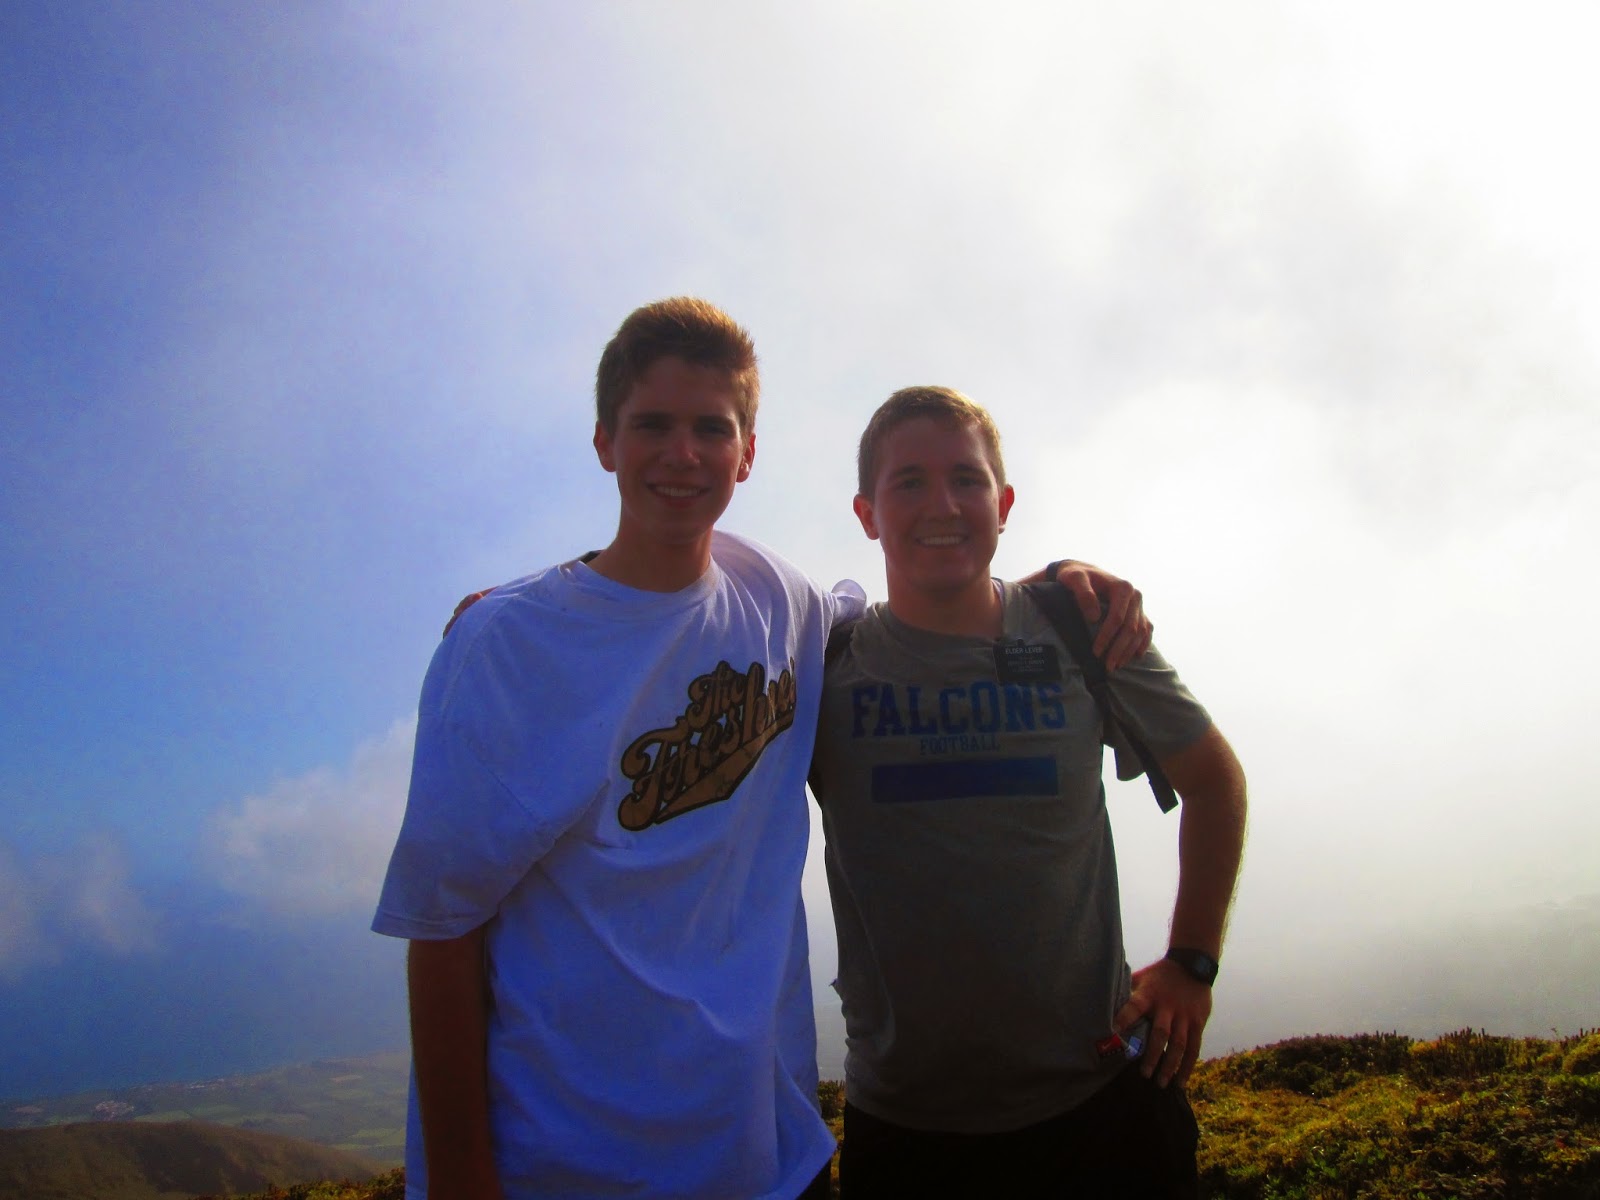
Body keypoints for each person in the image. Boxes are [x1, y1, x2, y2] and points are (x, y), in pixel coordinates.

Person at [372, 299, 1150, 1200]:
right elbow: (443, 928)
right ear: (604, 442)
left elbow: (910, 613)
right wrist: (461, 1180)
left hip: (772, 1157)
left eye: (713, 428)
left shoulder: (779, 600)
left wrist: (1048, 586)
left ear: (747, 453)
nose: (683, 453)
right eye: (652, 425)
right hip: (572, 1165)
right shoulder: (507, 648)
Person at [809, 386, 1248, 1198]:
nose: (943, 504)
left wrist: (1192, 962)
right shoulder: (825, 668)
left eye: (967, 480)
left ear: (1004, 505)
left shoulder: (1084, 630)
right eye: (909, 481)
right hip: (908, 1134)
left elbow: (1214, 780)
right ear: (868, 513)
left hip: (1104, 1109)